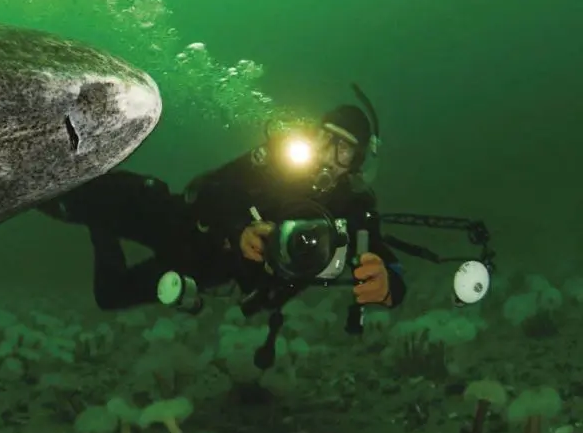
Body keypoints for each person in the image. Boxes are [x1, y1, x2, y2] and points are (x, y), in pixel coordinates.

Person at [38, 93, 406, 327]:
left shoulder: (353, 205)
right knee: (103, 192)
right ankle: (34, 181)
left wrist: (389, 286)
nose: (329, 155)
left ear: (356, 162)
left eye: (344, 150)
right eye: (325, 138)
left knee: (111, 294)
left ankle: (97, 220)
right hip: (183, 224)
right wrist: (239, 228)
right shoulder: (278, 161)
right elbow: (210, 188)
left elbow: (385, 259)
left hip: (210, 271)